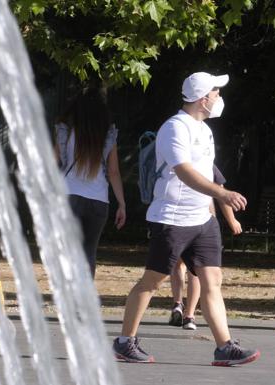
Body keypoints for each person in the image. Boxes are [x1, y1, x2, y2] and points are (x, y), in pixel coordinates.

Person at [112, 72, 260, 366]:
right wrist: (223, 193)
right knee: (152, 281)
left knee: (212, 280)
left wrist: (214, 203)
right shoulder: (174, 128)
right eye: (216, 92)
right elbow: (183, 171)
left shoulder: (204, 130)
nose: (219, 98)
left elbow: (205, 172)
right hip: (173, 218)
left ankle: (224, 347)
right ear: (203, 98)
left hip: (202, 220)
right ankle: (124, 342)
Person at [55, 89, 126, 278]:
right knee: (89, 251)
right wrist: (121, 203)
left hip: (69, 195)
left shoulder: (66, 132)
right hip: (99, 200)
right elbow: (113, 172)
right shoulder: (108, 136)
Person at [169, 165, 243, 331]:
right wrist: (232, 220)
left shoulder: (177, 160)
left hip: (179, 220)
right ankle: (189, 315)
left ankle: (178, 303)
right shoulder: (205, 161)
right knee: (195, 270)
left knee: (178, 265)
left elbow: (221, 192)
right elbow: (222, 193)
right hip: (200, 222)